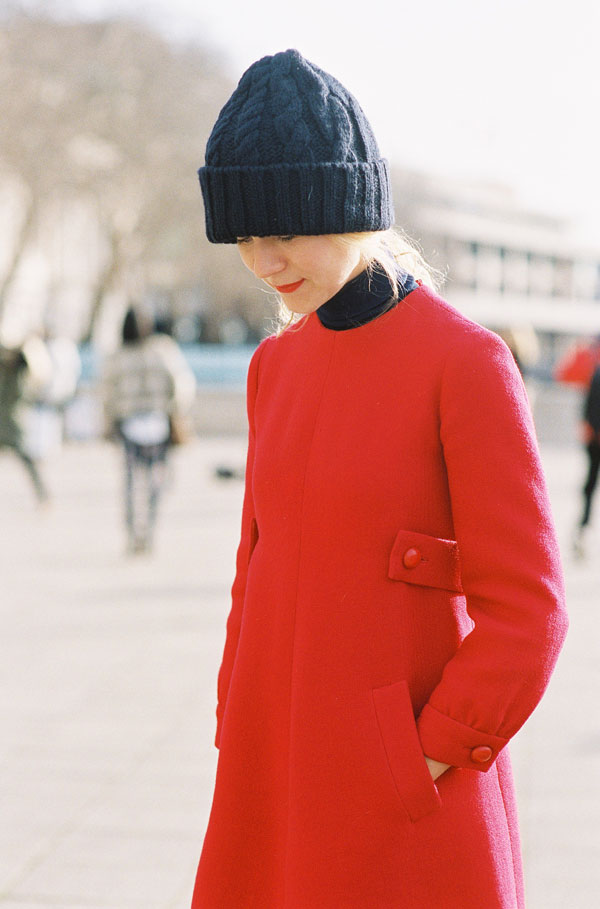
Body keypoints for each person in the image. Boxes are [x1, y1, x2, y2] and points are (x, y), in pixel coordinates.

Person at [191, 50, 568, 908]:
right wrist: (237, 720)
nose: (263, 260)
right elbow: (253, 571)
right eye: (244, 236)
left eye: (284, 230)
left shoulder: (465, 363)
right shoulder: (271, 368)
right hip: (271, 769)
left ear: (348, 206)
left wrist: (425, 751)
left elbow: (531, 609)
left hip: (405, 794)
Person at [103, 307, 196, 554]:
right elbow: (181, 386)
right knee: (156, 481)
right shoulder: (163, 351)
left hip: (129, 425)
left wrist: (107, 422)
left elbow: (106, 394)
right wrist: (175, 411)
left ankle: (132, 532)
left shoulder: (116, 357)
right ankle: (150, 530)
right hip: (158, 424)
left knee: (131, 482)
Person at [0, 335, 52, 504]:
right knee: (27, 459)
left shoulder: (19, 371)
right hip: (7, 421)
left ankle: (43, 495)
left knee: (27, 458)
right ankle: (43, 495)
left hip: (14, 422)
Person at [573, 364, 600, 557]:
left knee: (590, 484)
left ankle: (583, 527)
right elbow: (590, 404)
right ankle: (583, 527)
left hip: (594, 438)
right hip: (595, 439)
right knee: (590, 485)